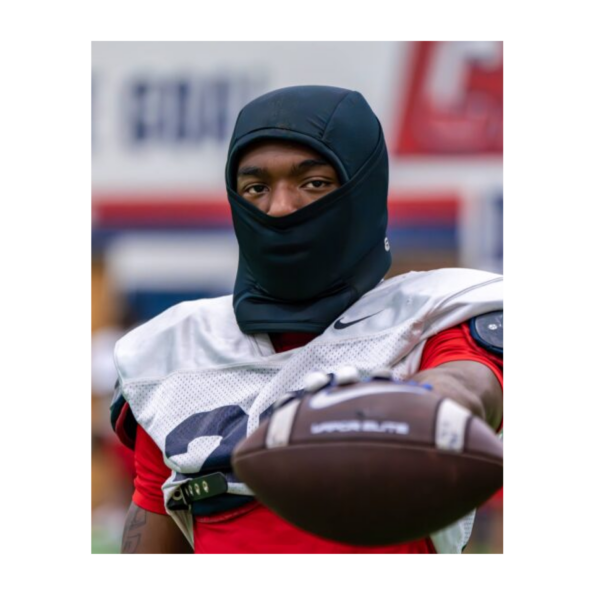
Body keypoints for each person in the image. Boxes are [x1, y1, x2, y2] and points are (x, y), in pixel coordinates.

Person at [111, 85, 503, 554]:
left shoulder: (435, 314)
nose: (279, 207)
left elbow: (470, 386)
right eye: (256, 188)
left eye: (313, 183)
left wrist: (414, 408)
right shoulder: (175, 352)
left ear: (362, 188)